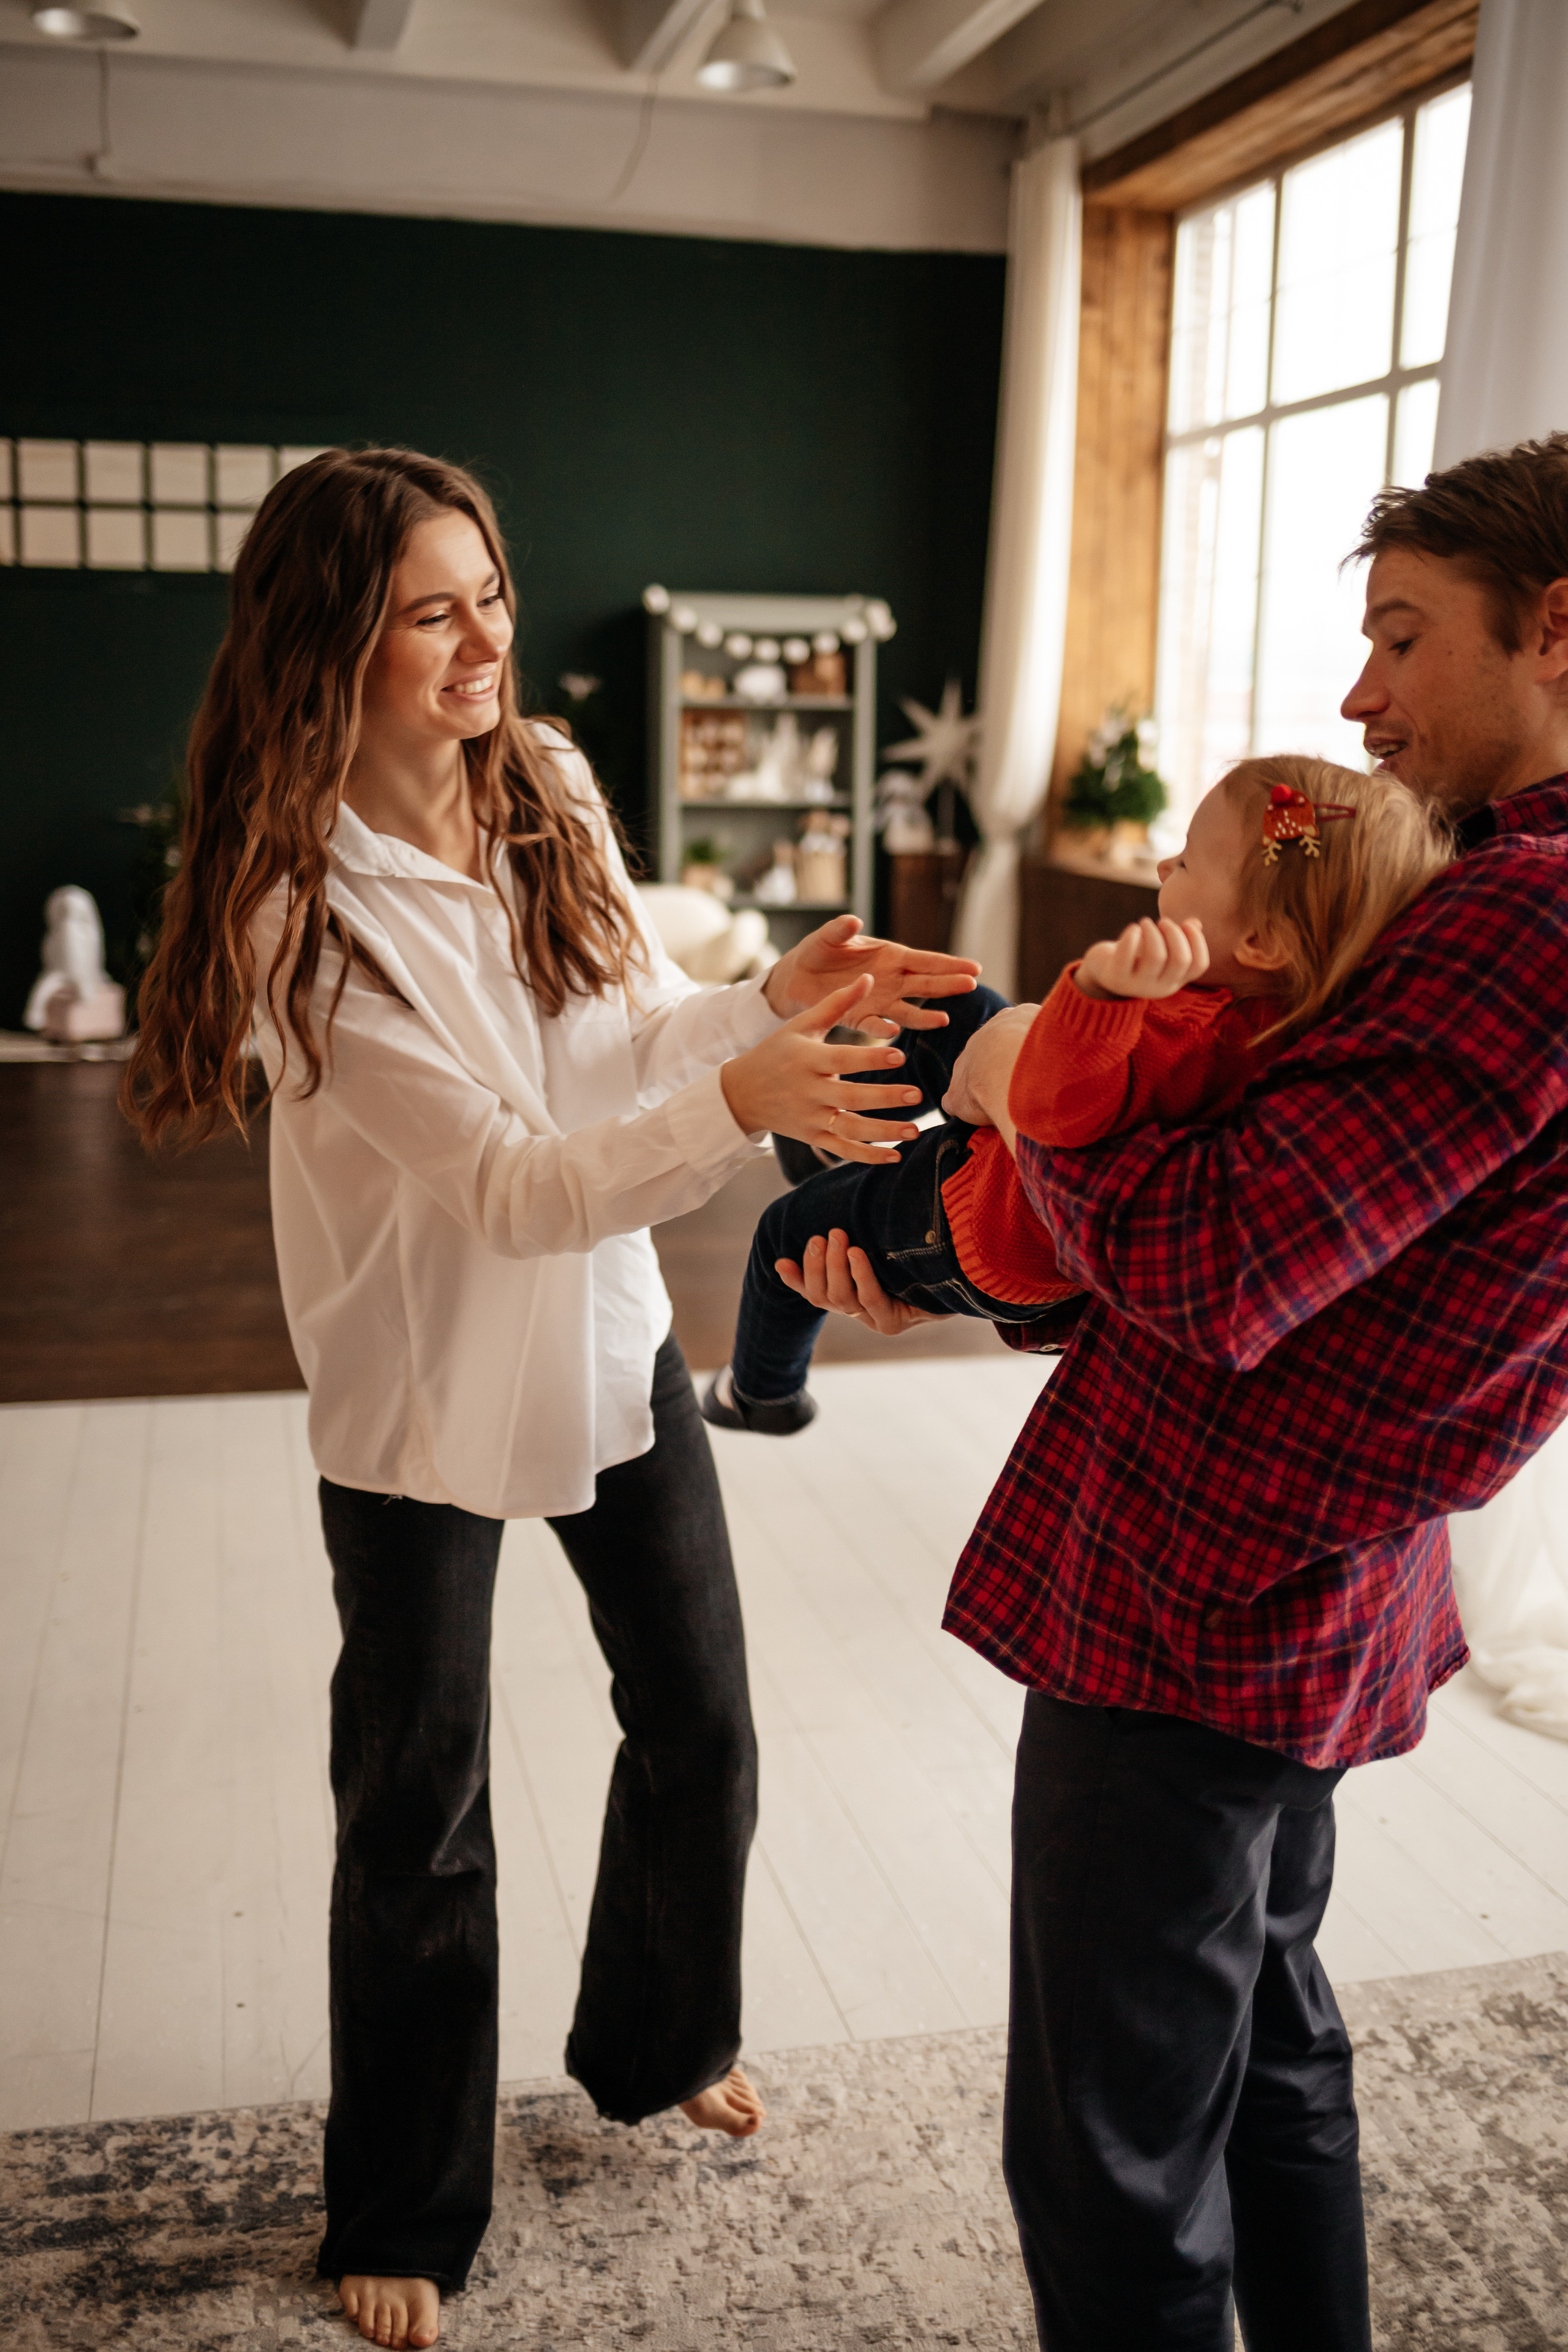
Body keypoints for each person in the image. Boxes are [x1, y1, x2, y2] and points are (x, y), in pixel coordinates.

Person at [123, 445, 979, 2352]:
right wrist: (739, 1106)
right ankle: (405, 2203)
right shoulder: (300, 908)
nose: (482, 636)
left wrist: (762, 999)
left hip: (600, 1341)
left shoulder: (553, 789)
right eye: (433, 608)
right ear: (334, 641)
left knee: (704, 1720)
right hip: (419, 1377)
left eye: (490, 590)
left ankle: (661, 2037)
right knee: (417, 1798)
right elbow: (512, 1179)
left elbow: (618, 1039)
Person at [785, 432, 1568, 2350]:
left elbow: (1215, 1267)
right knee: (1263, 2043)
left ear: (1555, 626)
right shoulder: (1484, 889)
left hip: (1206, 1586)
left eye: (1399, 636)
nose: (1354, 693)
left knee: (1111, 2147)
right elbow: (1308, 1231)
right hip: (1311, 1567)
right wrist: (986, 1245)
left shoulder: (1519, 916)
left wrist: (1009, 1099)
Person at [702, 755, 1447, 1438]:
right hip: (999, 1169)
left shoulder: (1182, 1029)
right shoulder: (1277, 1017)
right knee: (966, 1009)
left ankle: (761, 1394)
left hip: (976, 1227)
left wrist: (1094, 994)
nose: (1162, 864)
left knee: (783, 1235)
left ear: (1261, 943)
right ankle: (825, 1138)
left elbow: (1052, 1111)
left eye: (1185, 861)